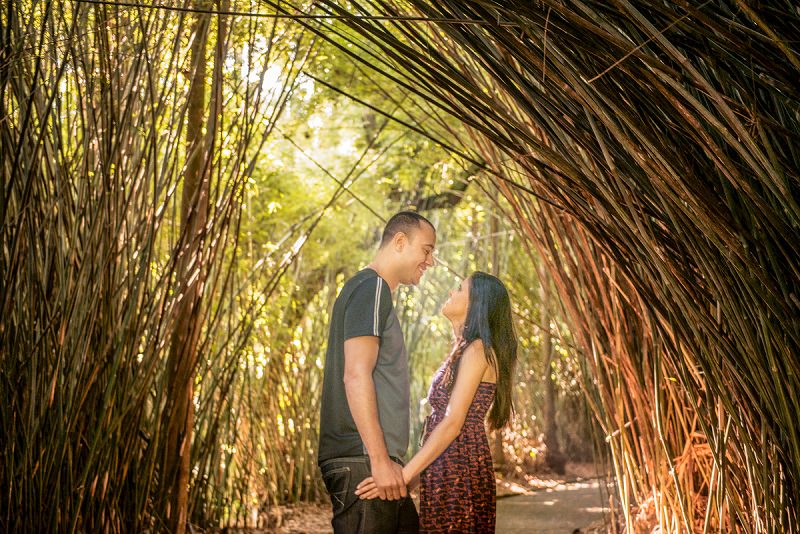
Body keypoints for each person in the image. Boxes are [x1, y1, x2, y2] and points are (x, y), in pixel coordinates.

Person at [356, 272, 518, 533]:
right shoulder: (466, 349)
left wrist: (406, 474)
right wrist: (411, 481)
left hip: (458, 469)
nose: (451, 293)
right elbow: (444, 428)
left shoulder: (478, 350)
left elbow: (453, 423)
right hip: (448, 465)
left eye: (459, 289)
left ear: (477, 303)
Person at [318, 211, 436, 533]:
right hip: (363, 461)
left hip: (372, 460)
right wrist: (380, 460)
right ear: (400, 242)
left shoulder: (373, 292)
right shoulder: (372, 288)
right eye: (426, 250)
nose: (431, 261)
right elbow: (355, 375)